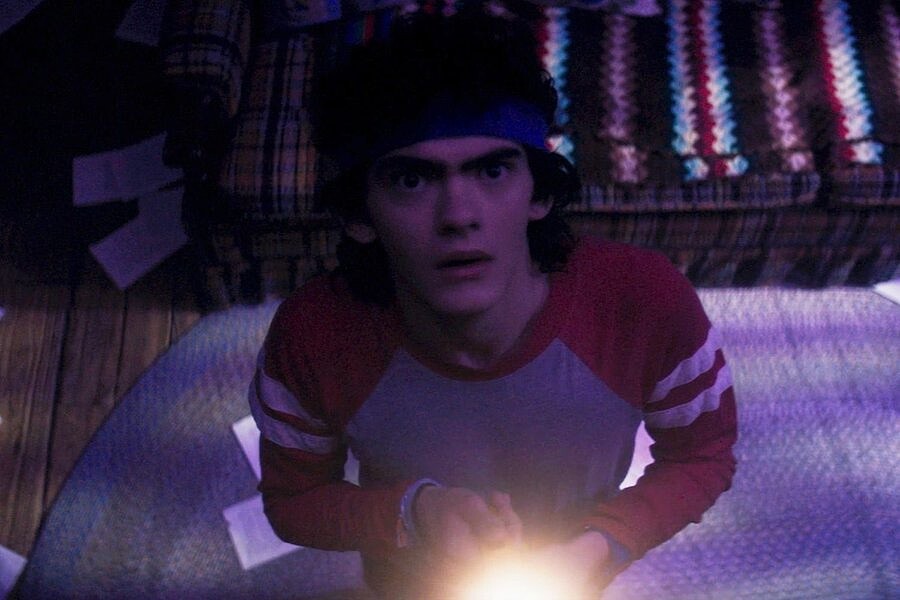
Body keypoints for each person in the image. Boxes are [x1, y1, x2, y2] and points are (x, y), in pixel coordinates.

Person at [248, 6, 737, 598]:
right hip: (407, 578)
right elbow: (292, 501)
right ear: (359, 214)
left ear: (539, 193)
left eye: (492, 171)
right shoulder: (312, 336)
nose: (459, 216)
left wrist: (600, 544)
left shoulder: (645, 301)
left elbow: (703, 457)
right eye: (411, 180)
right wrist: (414, 513)